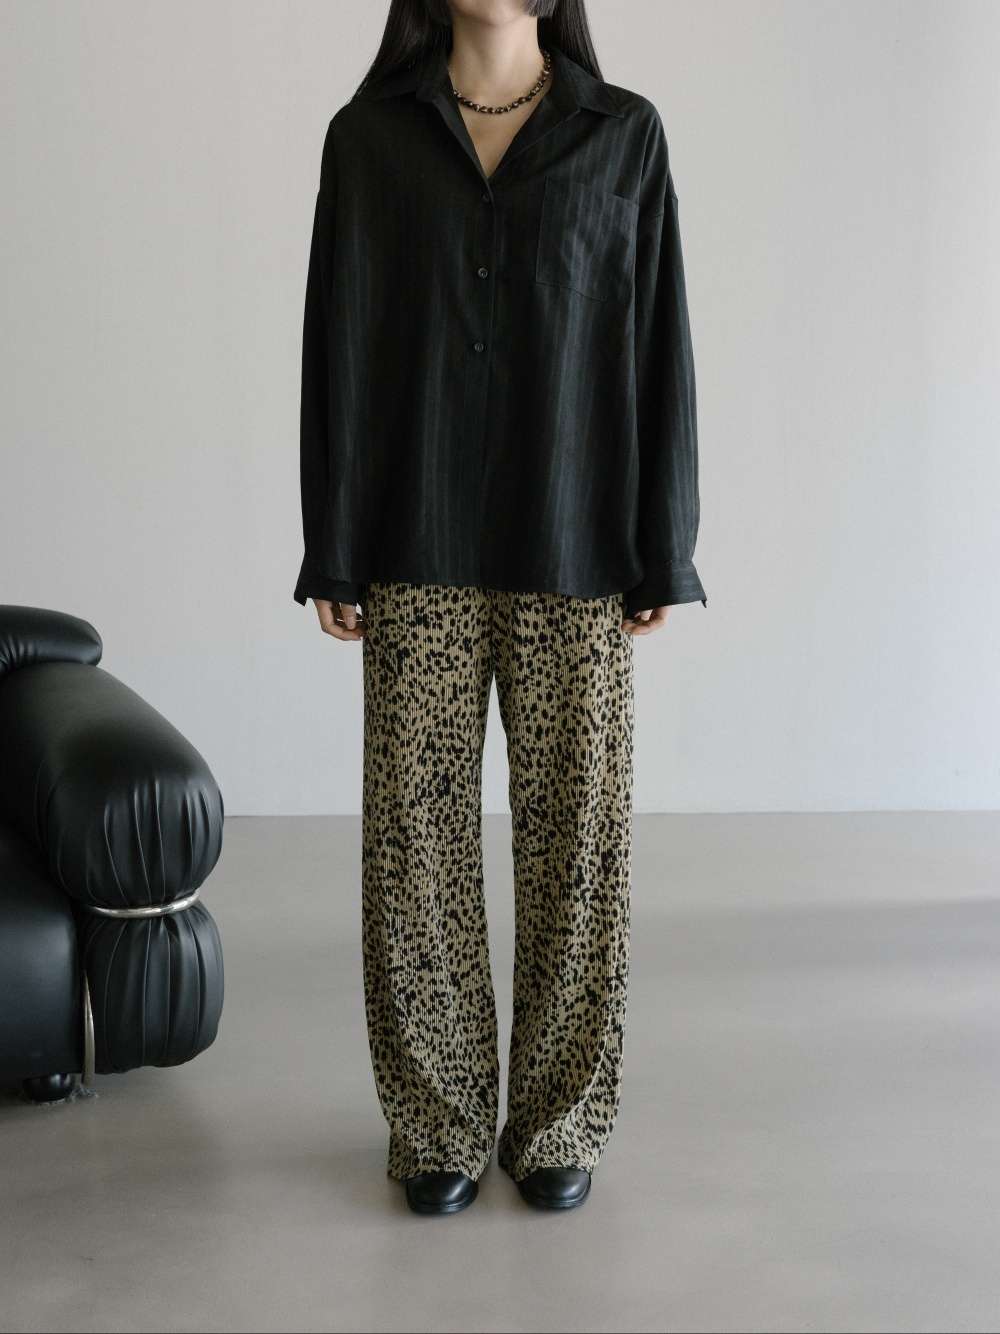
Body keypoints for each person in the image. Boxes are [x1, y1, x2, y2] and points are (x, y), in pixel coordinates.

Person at [293, 0, 707, 1216]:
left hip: (572, 538)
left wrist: (660, 548)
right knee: (413, 843)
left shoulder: (622, 134)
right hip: (414, 536)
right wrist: (335, 547)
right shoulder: (368, 139)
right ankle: (435, 1123)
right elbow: (337, 344)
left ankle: (559, 1119)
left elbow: (657, 343)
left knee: (579, 838)